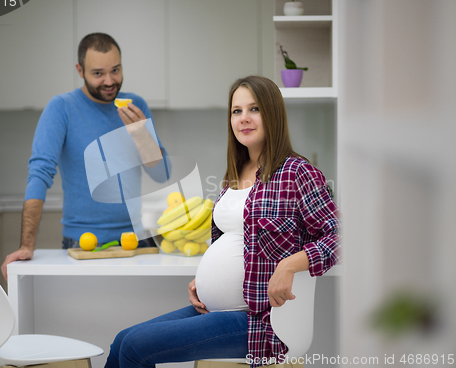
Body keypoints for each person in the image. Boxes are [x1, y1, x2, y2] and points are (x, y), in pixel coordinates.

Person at [104, 75, 340, 368]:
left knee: (137, 348)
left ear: (273, 114)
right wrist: (203, 282)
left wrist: (288, 265)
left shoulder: (297, 172)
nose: (244, 118)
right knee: (123, 340)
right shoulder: (235, 174)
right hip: (213, 310)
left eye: (254, 109)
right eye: (236, 111)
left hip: (260, 322)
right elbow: (235, 244)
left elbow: (338, 238)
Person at [1, 33, 168, 280]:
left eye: (116, 70)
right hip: (81, 244)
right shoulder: (62, 108)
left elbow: (161, 173)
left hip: (135, 242)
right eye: (98, 73)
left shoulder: (135, 105)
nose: (110, 81)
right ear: (80, 70)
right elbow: (40, 173)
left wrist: (143, 136)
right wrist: (27, 245)